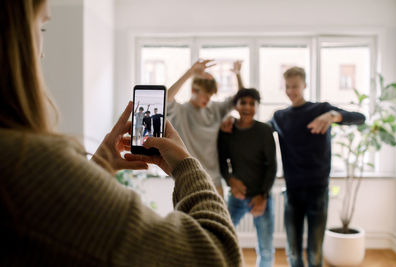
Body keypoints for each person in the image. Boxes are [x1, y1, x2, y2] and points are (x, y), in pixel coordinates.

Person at [0, 1, 243, 266]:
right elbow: (217, 255)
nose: (42, 54)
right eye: (42, 28)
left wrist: (97, 169)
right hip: (199, 175)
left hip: (217, 174)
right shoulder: (25, 161)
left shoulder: (15, 162)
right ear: (15, 41)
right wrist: (186, 166)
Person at [269, 67, 366, 267]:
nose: (291, 91)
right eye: (287, 87)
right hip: (293, 192)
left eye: (295, 86)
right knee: (293, 251)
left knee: (315, 252)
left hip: (318, 190)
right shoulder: (280, 116)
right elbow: (257, 132)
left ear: (304, 85)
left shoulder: (321, 109)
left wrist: (333, 116)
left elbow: (360, 118)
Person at [218, 88, 277, 267]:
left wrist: (263, 196)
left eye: (252, 104)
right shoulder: (227, 130)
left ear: (257, 107)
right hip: (236, 195)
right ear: (236, 105)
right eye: (243, 102)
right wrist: (230, 181)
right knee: (222, 240)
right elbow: (222, 160)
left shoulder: (265, 131)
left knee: (265, 248)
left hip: (261, 196)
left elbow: (272, 166)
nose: (247, 107)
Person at [167, 60, 242, 197]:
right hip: (189, 180)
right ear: (193, 90)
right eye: (205, 95)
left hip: (214, 181)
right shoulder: (181, 112)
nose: (208, 99)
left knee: (219, 218)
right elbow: (166, 99)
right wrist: (190, 73)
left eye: (211, 95)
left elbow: (241, 98)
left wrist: (237, 74)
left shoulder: (215, 109)